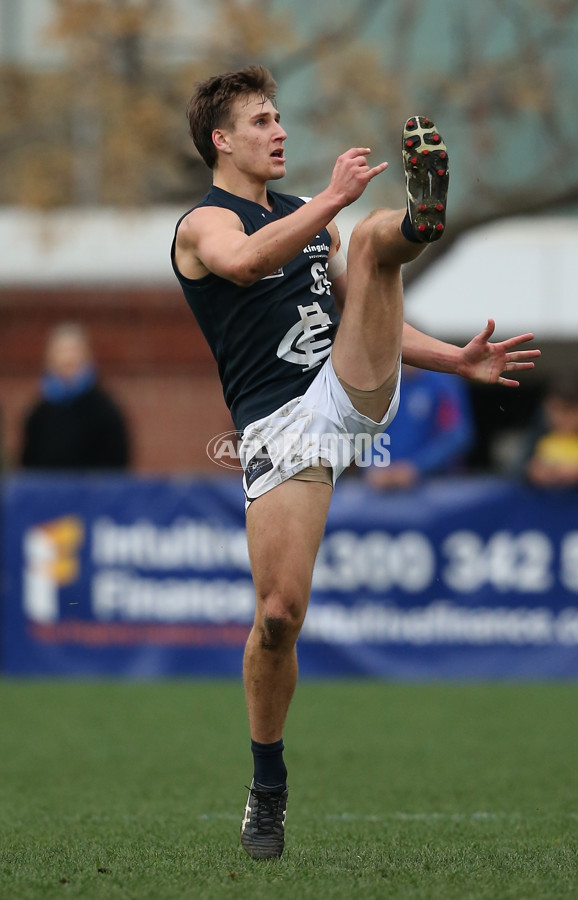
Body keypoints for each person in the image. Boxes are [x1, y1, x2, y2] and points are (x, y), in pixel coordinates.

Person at [171, 65, 539, 860]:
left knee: (376, 241)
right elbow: (240, 264)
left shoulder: (316, 216)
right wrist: (330, 201)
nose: (279, 131)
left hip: (346, 392)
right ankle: (267, 787)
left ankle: (422, 219)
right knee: (277, 617)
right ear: (220, 140)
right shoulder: (202, 225)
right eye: (261, 120)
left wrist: (454, 360)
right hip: (276, 432)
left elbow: (357, 311)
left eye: (278, 117)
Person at [21, 322, 130, 470]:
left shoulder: (105, 411)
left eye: (73, 350)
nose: (67, 358)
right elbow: (29, 466)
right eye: (60, 351)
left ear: (86, 356)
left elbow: (116, 465)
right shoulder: (39, 415)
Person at [366, 364, 474, 489]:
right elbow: (368, 431)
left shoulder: (443, 385)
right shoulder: (380, 387)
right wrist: (374, 465)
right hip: (384, 487)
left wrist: (416, 467)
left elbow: (457, 436)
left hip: (436, 484)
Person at [515, 380, 578, 488]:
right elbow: (516, 469)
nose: (565, 420)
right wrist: (533, 472)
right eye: (558, 411)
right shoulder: (538, 436)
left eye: (572, 411)